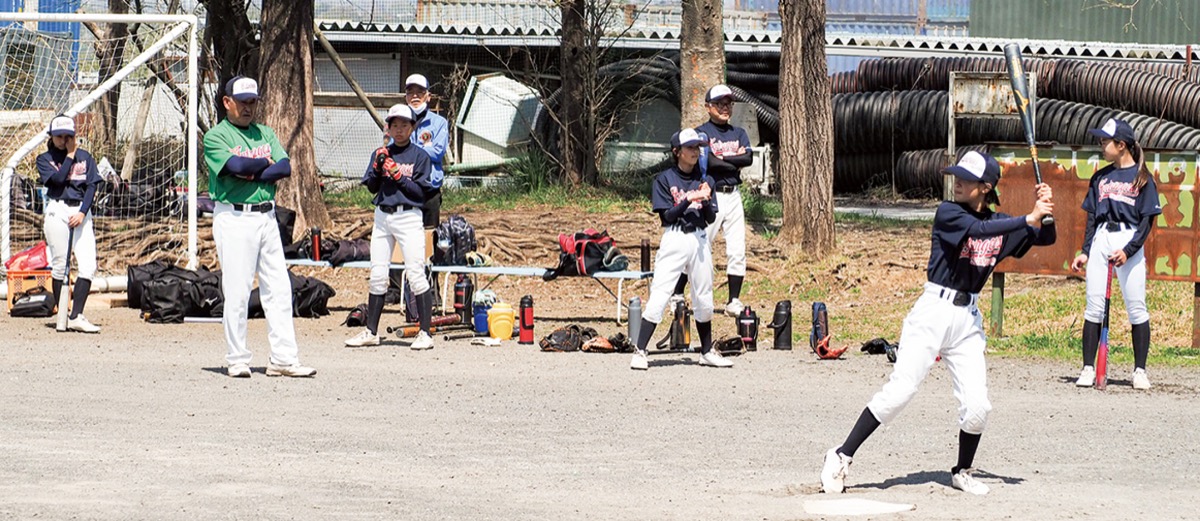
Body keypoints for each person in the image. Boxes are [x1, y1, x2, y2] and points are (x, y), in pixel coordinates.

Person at [820, 151, 1055, 496]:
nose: (957, 182)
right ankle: (840, 455)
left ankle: (962, 470)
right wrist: (1027, 217)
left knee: (978, 407)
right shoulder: (949, 213)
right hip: (933, 312)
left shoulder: (1000, 223)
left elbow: (1045, 239)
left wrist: (1047, 211)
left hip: (967, 320)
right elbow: (978, 229)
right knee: (900, 392)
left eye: (967, 179)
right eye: (957, 175)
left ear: (985, 187)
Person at [203, 76, 315, 378]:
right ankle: (237, 358)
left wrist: (256, 171)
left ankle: (283, 358)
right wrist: (261, 165)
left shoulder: (264, 132)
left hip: (266, 216)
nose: (248, 107)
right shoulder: (217, 135)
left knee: (278, 289)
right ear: (227, 102)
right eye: (242, 102)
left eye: (252, 101)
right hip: (234, 217)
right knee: (238, 290)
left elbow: (284, 166)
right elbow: (236, 167)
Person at [630, 128, 733, 371]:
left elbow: (709, 218)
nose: (695, 152)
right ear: (677, 151)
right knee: (661, 292)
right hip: (675, 238)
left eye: (697, 147)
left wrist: (706, 200)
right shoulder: (665, 179)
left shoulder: (705, 179)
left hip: (699, 239)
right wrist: (689, 198)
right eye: (689, 148)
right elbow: (666, 216)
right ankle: (640, 350)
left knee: (704, 296)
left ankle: (707, 350)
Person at [1070, 118, 1160, 390]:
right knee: (1094, 306)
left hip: (1128, 237)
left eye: (1105, 141)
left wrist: (1129, 250)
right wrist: (1085, 251)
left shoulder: (1143, 178)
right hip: (1102, 237)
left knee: (1136, 306)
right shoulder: (1101, 176)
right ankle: (1088, 367)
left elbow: (1147, 222)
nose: (1101, 145)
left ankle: (1140, 371)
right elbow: (1091, 218)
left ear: (1121, 145)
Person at [344, 104, 437, 350]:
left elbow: (420, 193)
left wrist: (398, 176)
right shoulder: (382, 152)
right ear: (388, 127)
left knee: (416, 273)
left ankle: (425, 333)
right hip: (383, 216)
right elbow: (373, 186)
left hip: (408, 216)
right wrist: (377, 167)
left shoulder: (419, 156)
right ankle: (371, 331)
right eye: (394, 125)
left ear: (412, 127)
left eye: (404, 125)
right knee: (377, 274)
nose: (399, 130)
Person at [673, 84, 753, 316]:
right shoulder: (701, 134)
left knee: (737, 249)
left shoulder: (739, 132)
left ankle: (733, 301)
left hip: (734, 194)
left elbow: (747, 158)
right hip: (710, 193)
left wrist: (723, 159)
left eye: (728, 103)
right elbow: (709, 163)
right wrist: (733, 160)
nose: (725, 108)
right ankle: (678, 293)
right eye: (719, 104)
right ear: (708, 107)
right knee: (699, 244)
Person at [37, 115, 102, 333]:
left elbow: (92, 186)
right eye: (59, 136)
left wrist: (83, 212)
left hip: (81, 210)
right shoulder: (44, 159)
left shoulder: (86, 157)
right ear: (52, 137)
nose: (64, 140)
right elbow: (57, 180)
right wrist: (70, 155)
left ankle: (77, 315)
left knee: (88, 264)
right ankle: (62, 313)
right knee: (59, 265)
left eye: (68, 136)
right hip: (58, 207)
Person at [404, 73, 448, 229]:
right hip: (404, 191)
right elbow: (392, 151)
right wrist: (423, 150)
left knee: (429, 236)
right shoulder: (398, 122)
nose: (415, 96)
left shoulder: (439, 123)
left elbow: (437, 153)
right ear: (406, 97)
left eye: (420, 92)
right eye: (410, 92)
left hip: (430, 190)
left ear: (428, 96)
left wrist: (408, 149)